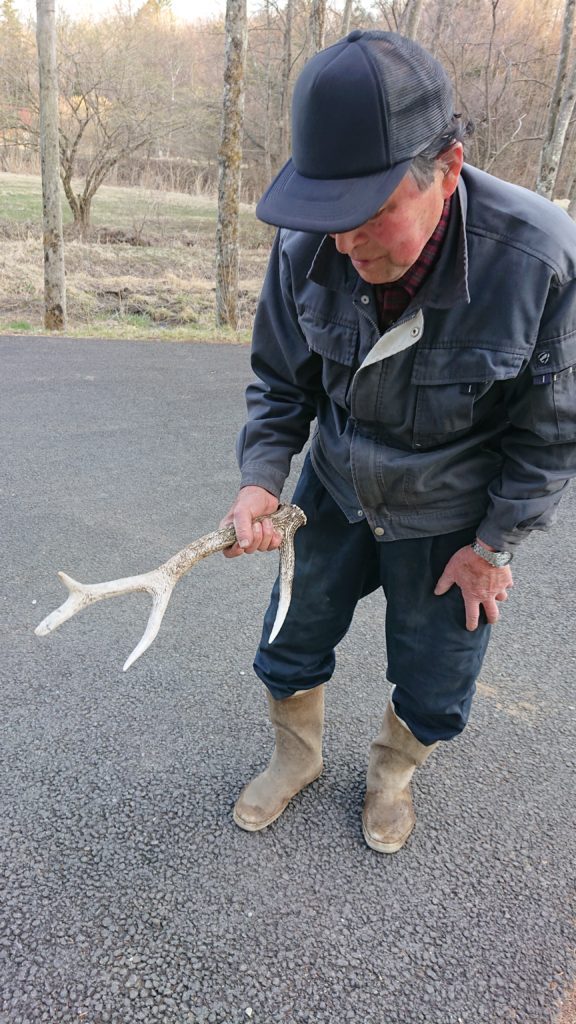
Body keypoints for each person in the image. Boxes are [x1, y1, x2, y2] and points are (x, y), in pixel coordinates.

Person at [220, 29, 576, 853]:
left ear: (447, 170)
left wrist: (494, 547)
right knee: (289, 637)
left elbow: (553, 434)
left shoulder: (539, 258)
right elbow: (280, 383)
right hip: (336, 484)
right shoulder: (307, 238)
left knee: (437, 676)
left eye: (372, 214)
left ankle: (391, 776)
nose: (345, 243)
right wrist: (261, 479)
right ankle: (296, 757)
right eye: (329, 216)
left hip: (454, 508)